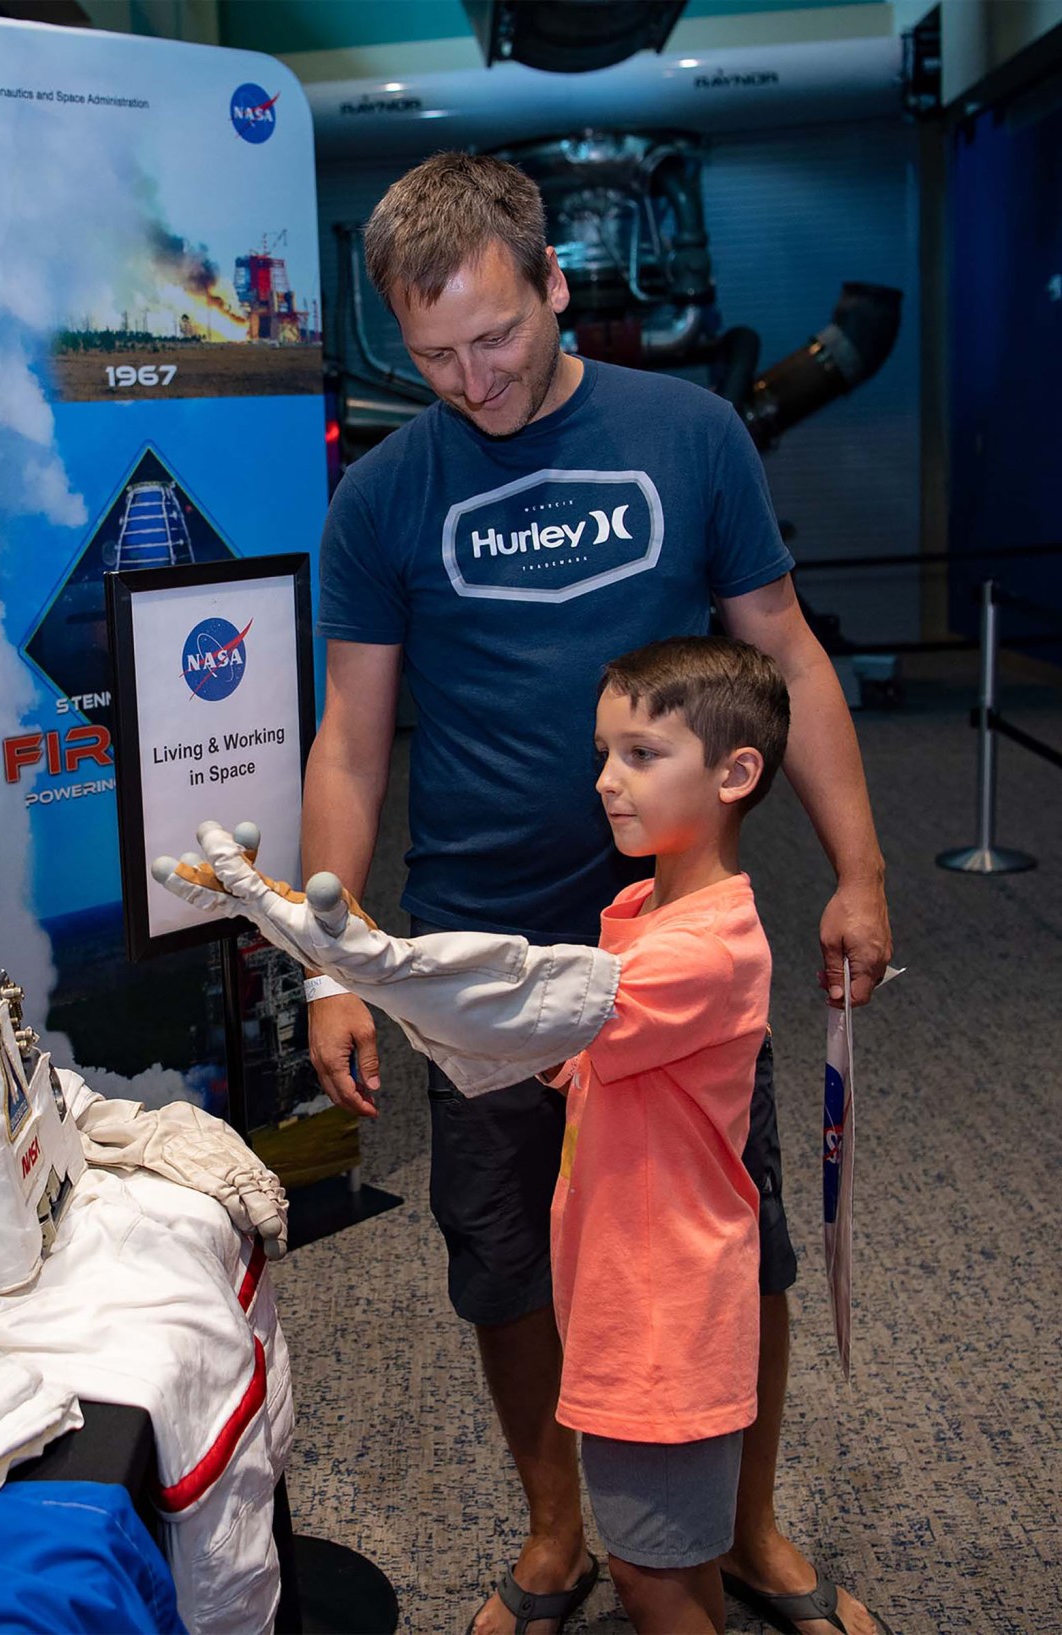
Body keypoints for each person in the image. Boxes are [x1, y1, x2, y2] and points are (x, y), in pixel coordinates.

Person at [305, 152, 891, 1635]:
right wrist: (334, 962)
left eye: (497, 335)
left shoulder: (687, 436)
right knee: (506, 1255)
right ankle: (557, 1526)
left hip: (677, 948)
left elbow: (792, 659)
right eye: (432, 356)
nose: (474, 378)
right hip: (480, 961)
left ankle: (744, 1525)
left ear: (555, 279)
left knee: (724, 1243)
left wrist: (863, 870)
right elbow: (351, 741)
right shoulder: (382, 496)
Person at [544, 636, 786, 1632]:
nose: (606, 781)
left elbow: (525, 1022)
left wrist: (358, 962)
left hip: (661, 1318)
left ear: (733, 774)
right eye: (602, 753)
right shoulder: (640, 909)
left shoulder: (700, 950)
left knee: (653, 1577)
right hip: (624, 1292)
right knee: (653, 1552)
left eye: (640, 755)